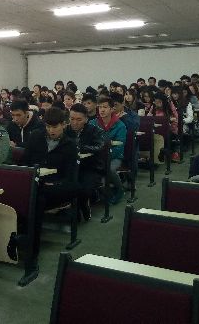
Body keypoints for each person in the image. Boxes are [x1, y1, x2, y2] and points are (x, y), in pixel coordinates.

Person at [20, 107, 78, 279]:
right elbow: (24, 163)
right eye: (48, 126)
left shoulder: (70, 144)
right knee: (27, 196)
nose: (51, 130)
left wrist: (55, 183)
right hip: (35, 184)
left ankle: (32, 253)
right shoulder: (36, 137)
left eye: (55, 127)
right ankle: (18, 238)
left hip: (56, 187)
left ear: (64, 125)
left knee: (36, 201)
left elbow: (70, 178)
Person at [66, 104, 105, 220]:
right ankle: (75, 211)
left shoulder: (95, 130)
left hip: (91, 167)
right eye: (72, 119)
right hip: (71, 167)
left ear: (86, 119)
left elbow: (99, 146)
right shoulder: (65, 130)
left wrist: (80, 147)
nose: (74, 123)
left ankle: (83, 205)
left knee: (84, 188)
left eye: (79, 120)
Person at [92, 96, 127, 204]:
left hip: (114, 157)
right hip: (96, 157)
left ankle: (120, 190)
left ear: (112, 109)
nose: (102, 110)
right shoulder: (93, 123)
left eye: (105, 107)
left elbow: (119, 147)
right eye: (100, 107)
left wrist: (105, 157)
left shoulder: (120, 125)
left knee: (110, 168)